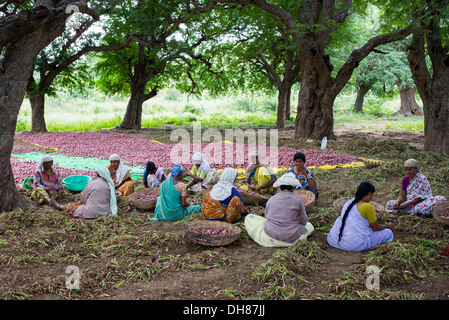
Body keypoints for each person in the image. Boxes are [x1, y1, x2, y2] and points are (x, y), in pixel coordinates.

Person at [244, 172, 314, 247]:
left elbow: (267, 217)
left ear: (280, 187)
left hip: (271, 237)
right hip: (293, 238)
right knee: (310, 226)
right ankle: (289, 242)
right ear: (293, 187)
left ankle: (275, 240)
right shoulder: (298, 199)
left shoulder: (272, 199)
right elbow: (304, 221)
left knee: (249, 218)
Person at [327, 182, 394, 252]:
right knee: (388, 233)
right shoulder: (368, 207)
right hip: (353, 244)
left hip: (335, 239)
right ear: (369, 194)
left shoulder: (349, 202)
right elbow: (375, 228)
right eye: (372, 195)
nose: (372, 198)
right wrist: (387, 225)